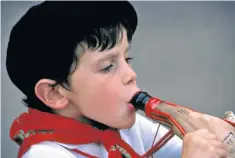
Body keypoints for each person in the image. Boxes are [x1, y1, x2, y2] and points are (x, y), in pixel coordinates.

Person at [6, 1, 234, 158]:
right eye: (107, 66)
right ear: (54, 93)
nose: (130, 75)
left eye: (127, 58)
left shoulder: (127, 126)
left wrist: (211, 137)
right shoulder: (45, 154)